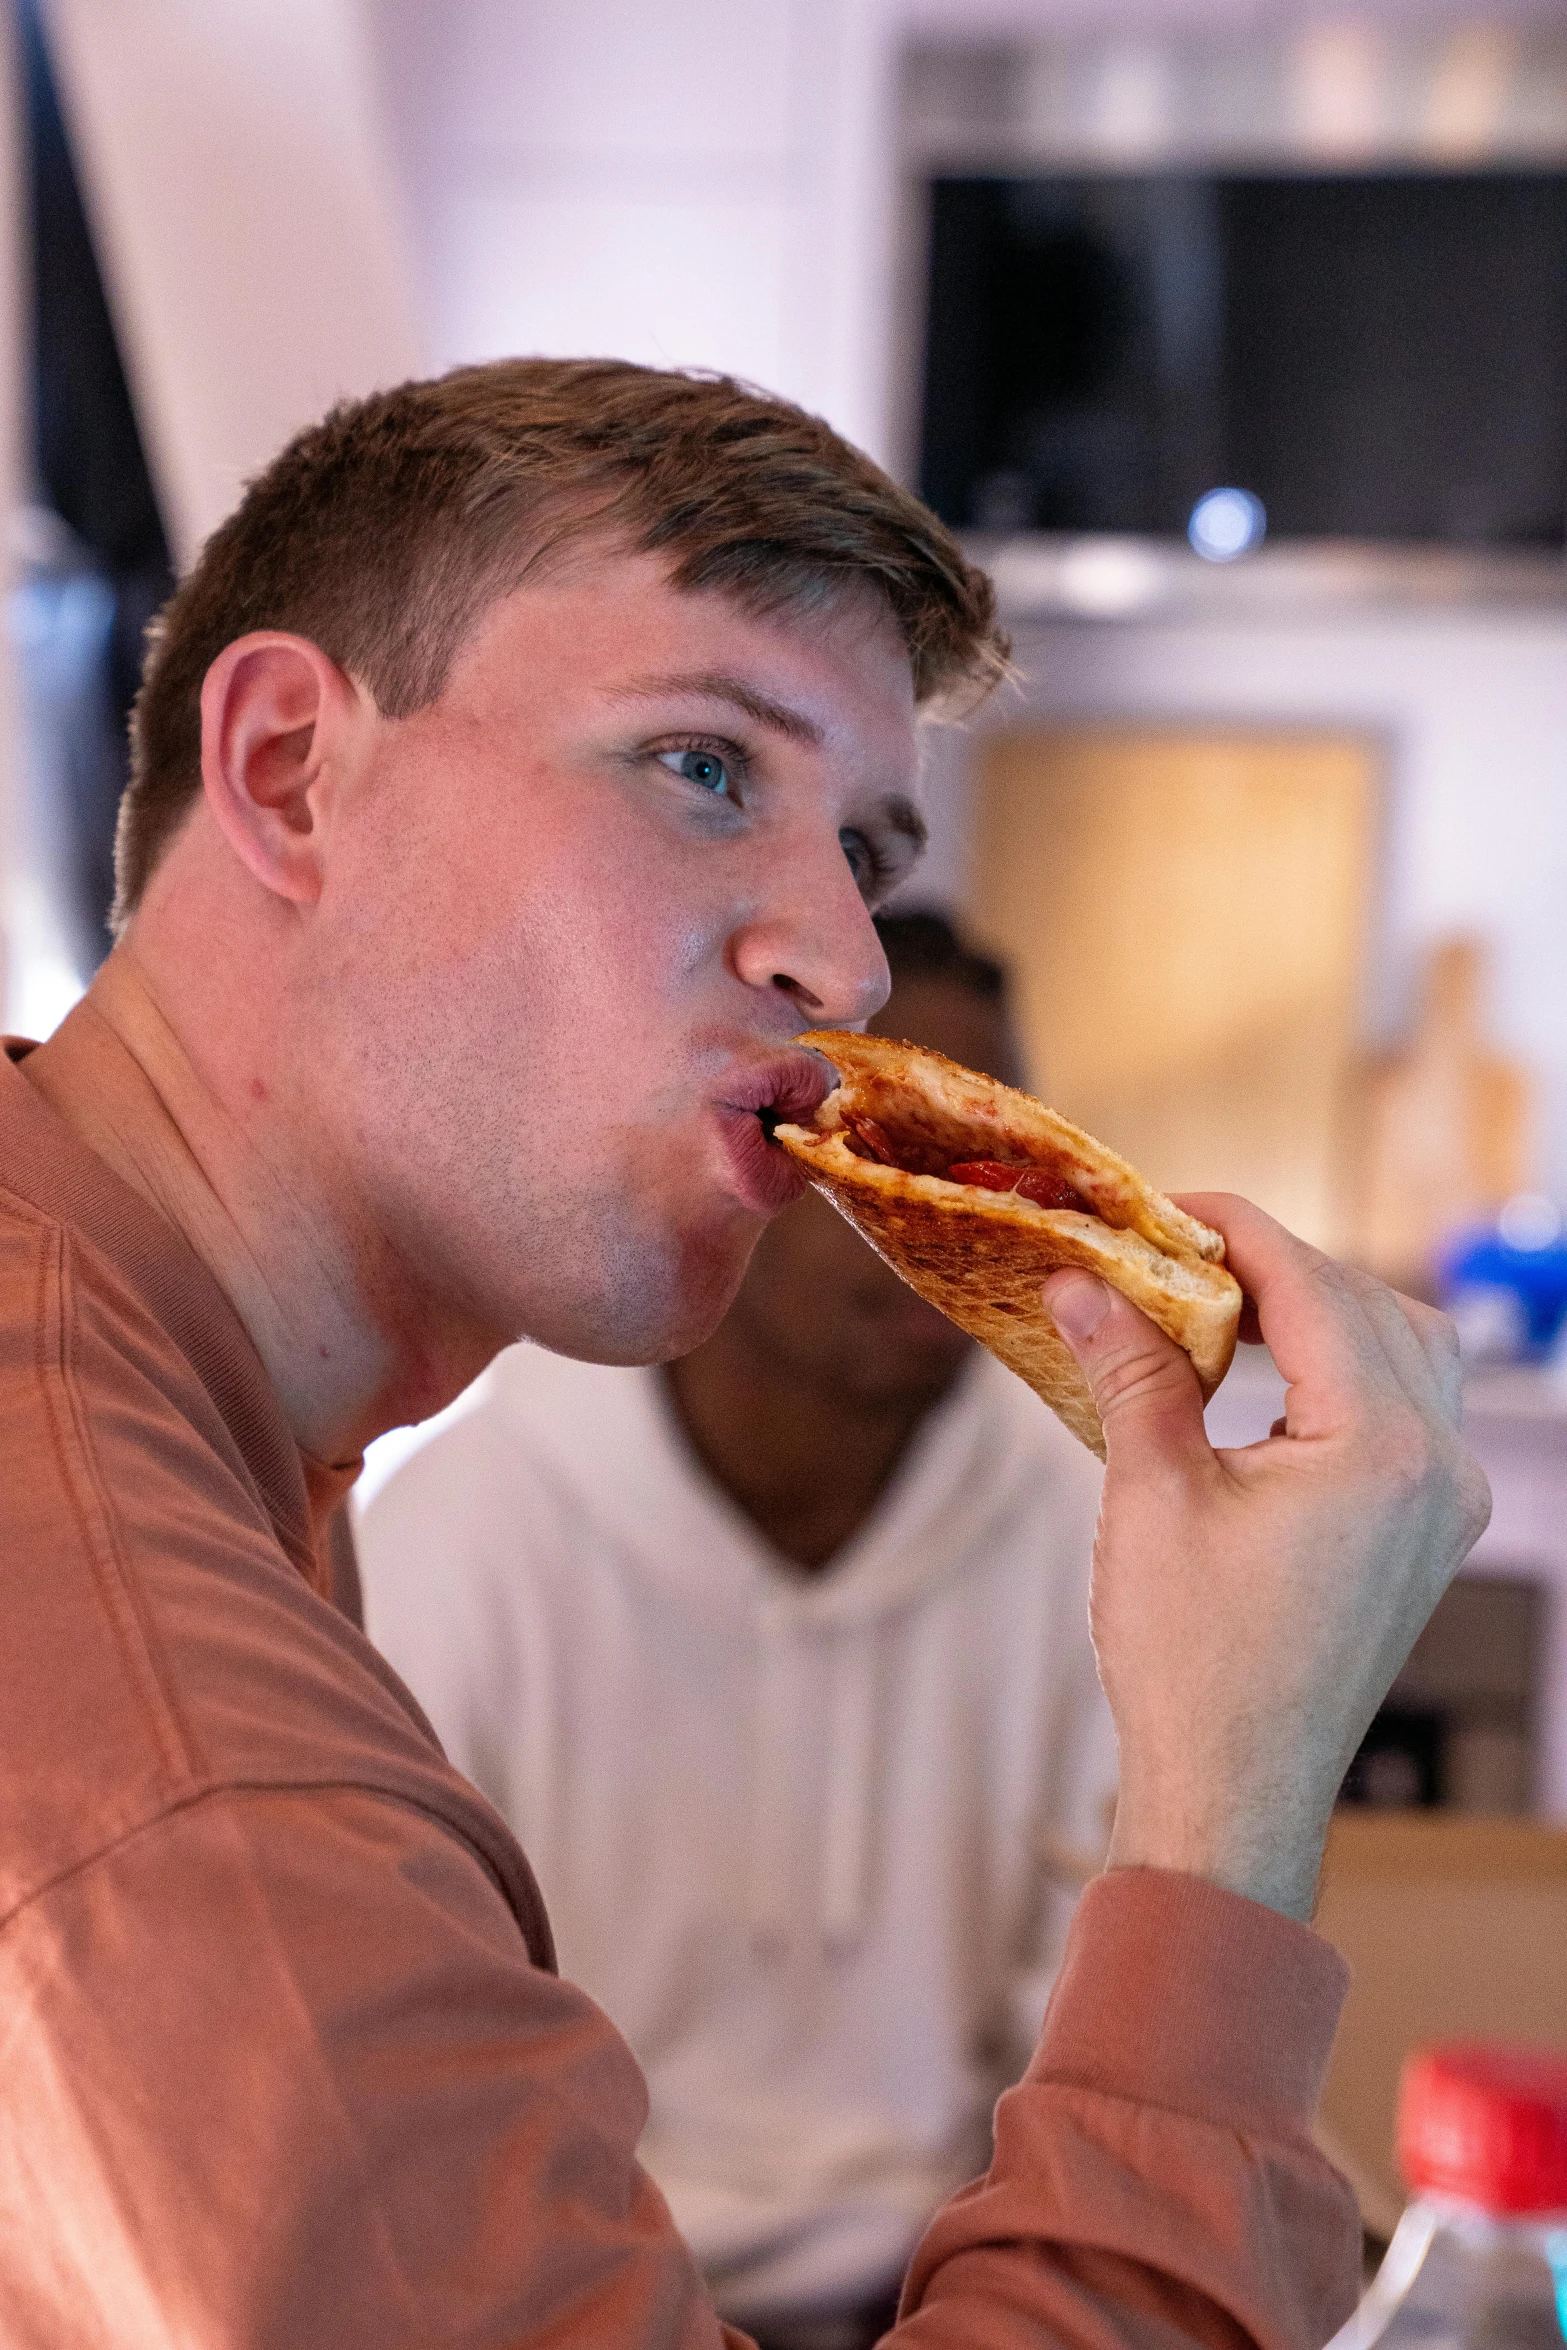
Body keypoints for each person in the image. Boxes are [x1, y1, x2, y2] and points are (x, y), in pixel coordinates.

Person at [0, 358, 1489, 2347]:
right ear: (290, 769)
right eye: (704, 764)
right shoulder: (168, 1735)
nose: (848, 960)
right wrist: (1238, 1805)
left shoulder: (189, 1422)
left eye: (863, 846)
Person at [359, 908, 1117, 2350]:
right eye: (884, 1155)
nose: (957, 1218)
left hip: (954, 2300)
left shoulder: (1093, 1535)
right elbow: (400, 2069)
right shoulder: (466, 1534)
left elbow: (1098, 2029)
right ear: (740, 1162)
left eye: (990, 1165)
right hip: (559, 2305)